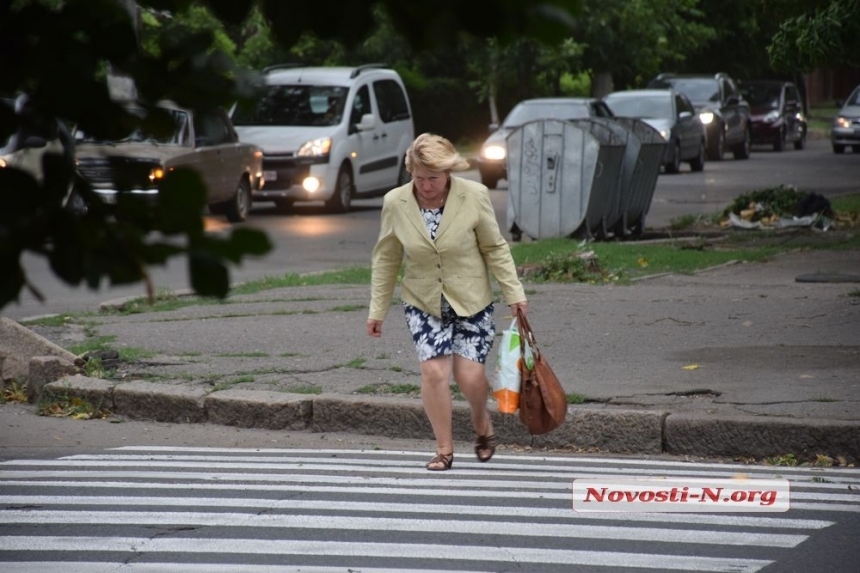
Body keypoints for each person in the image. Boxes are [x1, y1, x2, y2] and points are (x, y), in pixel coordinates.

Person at [366, 133, 528, 471]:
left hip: (472, 299)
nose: (426, 186)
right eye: (419, 178)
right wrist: (377, 310)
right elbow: (387, 258)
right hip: (423, 300)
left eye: (433, 179)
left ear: (449, 172)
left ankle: (481, 421)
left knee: (469, 376)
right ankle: (444, 449)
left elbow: (495, 248)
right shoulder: (396, 202)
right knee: (434, 371)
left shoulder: (474, 195)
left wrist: (513, 293)